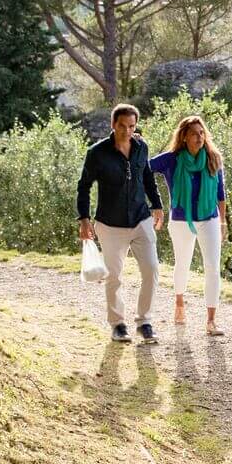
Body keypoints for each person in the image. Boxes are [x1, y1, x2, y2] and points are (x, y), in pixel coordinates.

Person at [77, 104, 164, 345]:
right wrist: (84, 219)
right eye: (122, 126)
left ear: (136, 126)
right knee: (113, 277)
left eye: (131, 126)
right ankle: (118, 325)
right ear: (113, 125)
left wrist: (157, 205)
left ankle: (144, 322)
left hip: (140, 219)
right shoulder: (97, 153)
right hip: (110, 224)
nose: (127, 131)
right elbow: (83, 186)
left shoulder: (141, 148)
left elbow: (147, 177)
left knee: (151, 269)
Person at [150, 115, 229, 336]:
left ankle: (211, 321)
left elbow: (221, 195)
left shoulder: (213, 158)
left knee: (212, 268)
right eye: (194, 133)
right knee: (182, 264)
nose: (199, 137)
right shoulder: (171, 160)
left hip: (209, 218)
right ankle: (179, 303)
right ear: (184, 136)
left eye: (202, 133)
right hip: (181, 220)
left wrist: (222, 221)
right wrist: (155, 203)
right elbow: (143, 169)